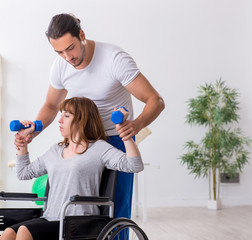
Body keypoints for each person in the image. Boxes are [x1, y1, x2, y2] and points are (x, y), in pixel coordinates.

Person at [15, 13, 164, 223]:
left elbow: (155, 100)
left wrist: (136, 126)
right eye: (59, 52)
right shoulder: (60, 66)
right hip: (81, 142)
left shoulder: (114, 59)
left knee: (115, 211)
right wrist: (34, 132)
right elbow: (50, 105)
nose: (67, 57)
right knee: (80, 213)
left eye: (70, 48)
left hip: (113, 140)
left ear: (82, 35)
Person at [1, 97, 144, 240]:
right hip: (50, 217)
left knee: (25, 231)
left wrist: (125, 134)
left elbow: (134, 165)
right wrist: (22, 141)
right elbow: (23, 173)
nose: (60, 120)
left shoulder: (99, 148)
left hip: (79, 222)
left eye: (66, 116)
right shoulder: (56, 150)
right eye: (61, 115)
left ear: (82, 120)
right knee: (8, 233)